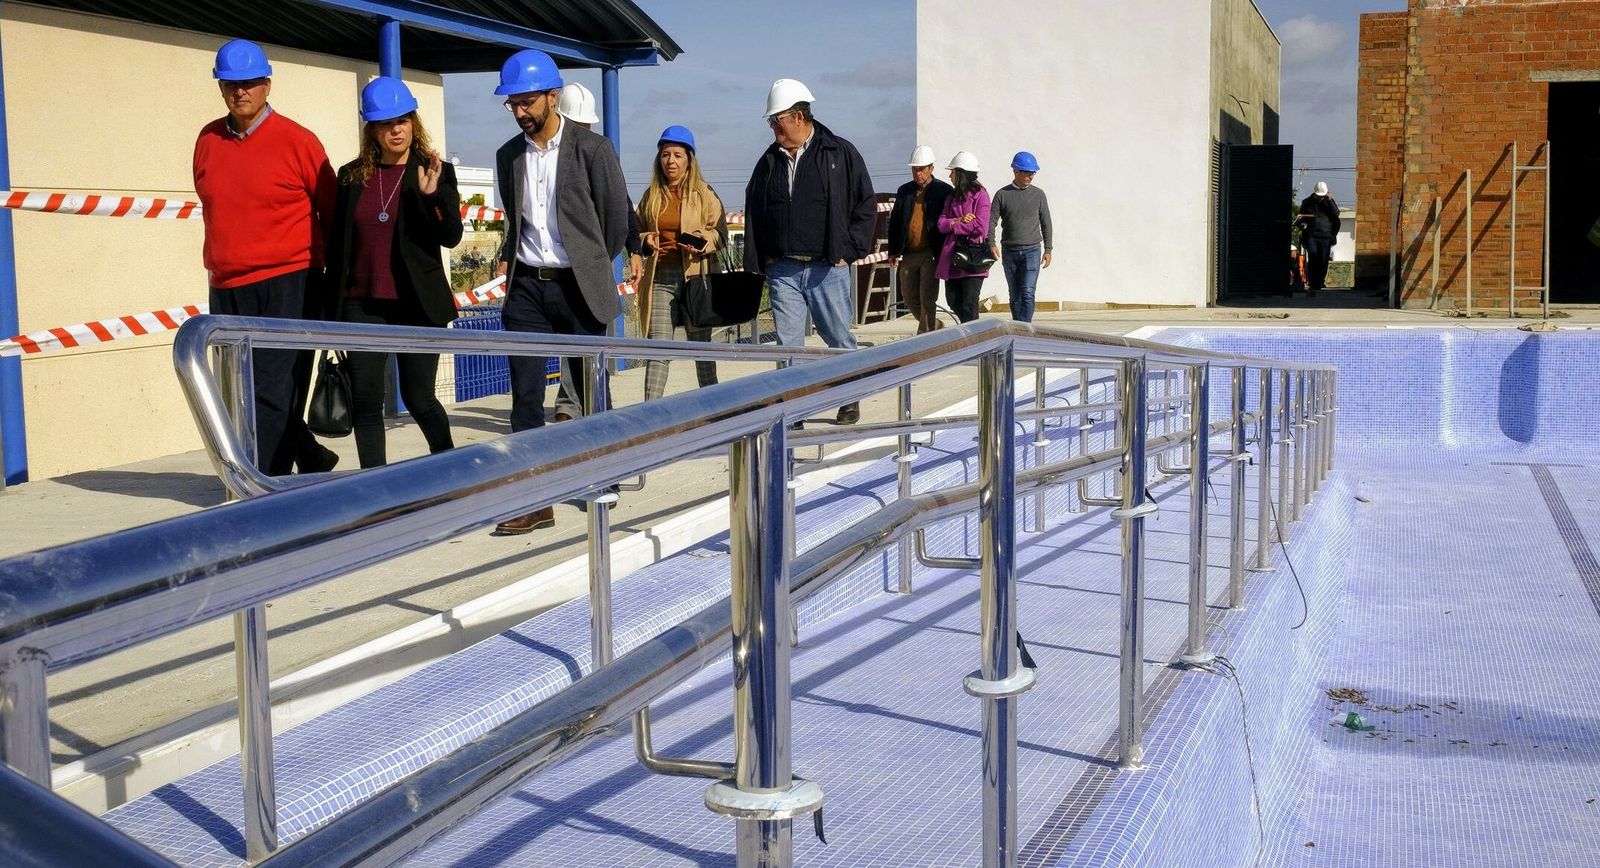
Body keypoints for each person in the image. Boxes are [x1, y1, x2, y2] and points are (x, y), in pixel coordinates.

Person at [491, 49, 629, 534]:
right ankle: (535, 500)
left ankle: (603, 475)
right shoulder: (508, 156)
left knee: (592, 389)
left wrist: (588, 264)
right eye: (513, 104)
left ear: (553, 96)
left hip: (578, 286)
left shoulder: (593, 149)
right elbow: (516, 222)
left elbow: (615, 223)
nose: (520, 112)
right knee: (526, 399)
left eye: (527, 101)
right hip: (527, 287)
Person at [193, 39, 338, 476]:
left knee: (274, 391)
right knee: (236, 391)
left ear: (267, 85)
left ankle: (267, 485)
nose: (241, 91)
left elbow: (331, 211)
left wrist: (332, 283)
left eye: (250, 83)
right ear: (221, 87)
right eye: (231, 84)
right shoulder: (207, 140)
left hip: (289, 281)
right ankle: (308, 455)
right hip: (226, 285)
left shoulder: (299, 141)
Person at [325, 77, 461, 469]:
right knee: (367, 402)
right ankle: (376, 488)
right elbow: (338, 246)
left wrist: (431, 197)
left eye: (402, 120)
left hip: (417, 305)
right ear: (372, 129)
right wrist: (331, 312)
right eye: (385, 123)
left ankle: (450, 469)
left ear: (414, 122)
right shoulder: (351, 176)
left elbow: (450, 236)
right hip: (362, 305)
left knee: (420, 398)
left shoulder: (434, 171)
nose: (396, 130)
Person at [743, 78, 876, 424]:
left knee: (837, 337)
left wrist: (849, 251)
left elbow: (865, 204)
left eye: (777, 120)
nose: (773, 128)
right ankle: (795, 406)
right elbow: (755, 207)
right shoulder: (768, 161)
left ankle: (849, 396)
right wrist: (761, 259)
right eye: (771, 121)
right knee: (789, 344)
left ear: (799, 117)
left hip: (827, 266)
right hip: (784, 269)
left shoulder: (839, 153)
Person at [549, 82, 643, 423]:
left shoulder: (597, 153)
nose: (580, 133)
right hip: (562, 265)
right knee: (576, 340)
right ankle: (575, 405)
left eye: (584, 127)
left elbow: (621, 204)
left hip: (590, 263)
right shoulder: (545, 159)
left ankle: (587, 404)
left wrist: (632, 248)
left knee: (591, 338)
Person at [636, 125, 725, 401]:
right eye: (665, 155)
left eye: (677, 155)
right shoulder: (651, 196)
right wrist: (646, 240)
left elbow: (720, 233)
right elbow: (635, 231)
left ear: (689, 159)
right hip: (660, 279)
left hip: (696, 280)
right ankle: (650, 412)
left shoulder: (704, 193)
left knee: (702, 352)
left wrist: (702, 239)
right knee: (658, 351)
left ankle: (713, 408)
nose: (671, 161)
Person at [887, 145, 952, 334]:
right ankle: (934, 325)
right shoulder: (904, 191)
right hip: (909, 253)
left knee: (928, 298)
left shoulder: (943, 191)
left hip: (931, 252)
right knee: (908, 296)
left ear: (931, 168)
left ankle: (925, 336)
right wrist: (893, 251)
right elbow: (895, 222)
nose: (918, 173)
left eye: (921, 169)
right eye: (915, 169)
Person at [987, 151, 1053, 322]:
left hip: (1032, 250)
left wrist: (1048, 249)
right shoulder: (1002, 195)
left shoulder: (1039, 195)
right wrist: (991, 243)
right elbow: (991, 221)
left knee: (1028, 292)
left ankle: (1026, 328)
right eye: (1027, 172)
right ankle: (1018, 325)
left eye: (1033, 173)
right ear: (1016, 171)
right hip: (1010, 251)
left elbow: (1046, 222)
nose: (1031, 176)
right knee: (1015, 294)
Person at [936, 151, 992, 323]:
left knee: (969, 304)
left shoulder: (981, 195)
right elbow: (941, 224)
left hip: (973, 257)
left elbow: (980, 227)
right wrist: (958, 221)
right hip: (953, 258)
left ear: (961, 173)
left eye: (952, 172)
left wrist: (954, 226)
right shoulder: (951, 197)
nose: (950, 176)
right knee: (953, 300)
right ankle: (970, 328)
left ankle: (974, 334)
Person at [1298, 181, 1341, 295]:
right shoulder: (1307, 202)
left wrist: (1330, 201)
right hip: (1311, 235)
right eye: (1318, 196)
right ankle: (1313, 282)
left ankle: (1320, 281)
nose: (1320, 198)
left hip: (1326, 236)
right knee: (1313, 257)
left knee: (1323, 259)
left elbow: (1336, 214)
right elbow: (1301, 218)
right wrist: (1303, 225)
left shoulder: (1329, 202)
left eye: (1322, 196)